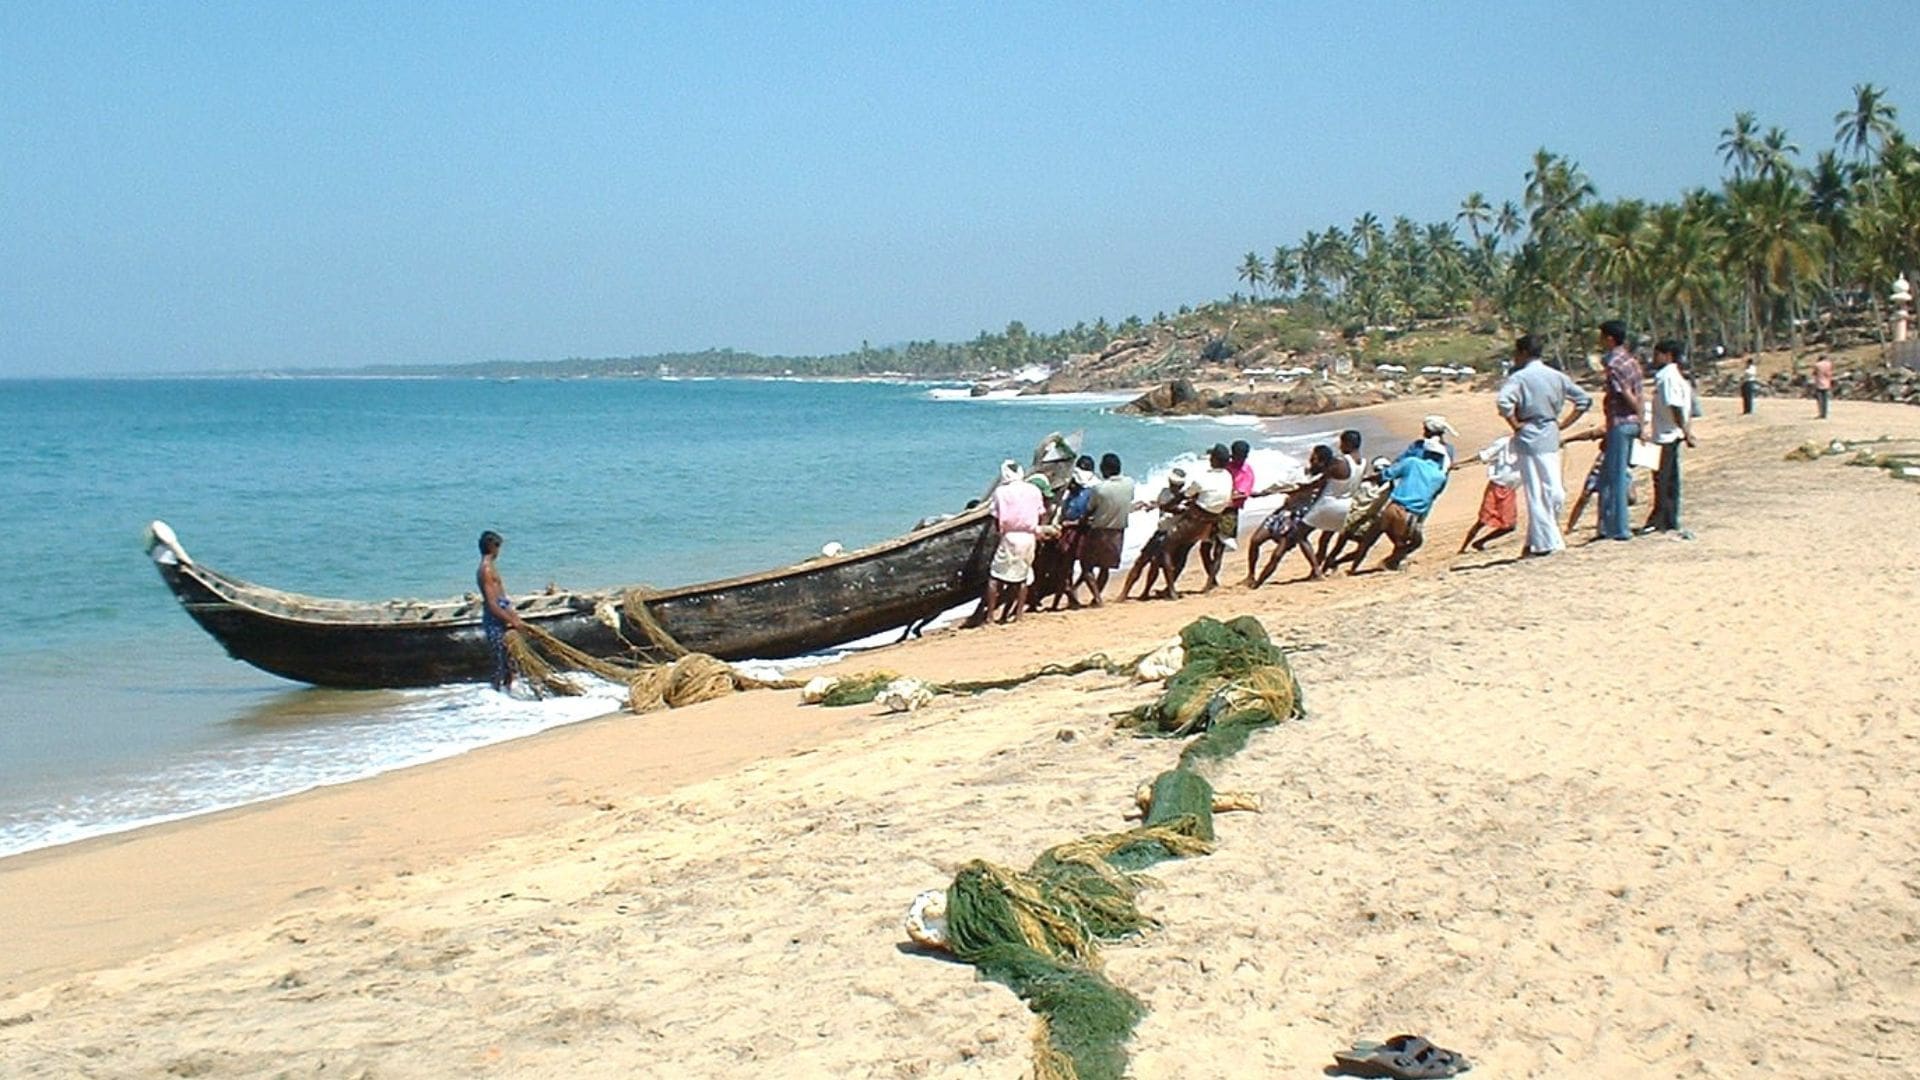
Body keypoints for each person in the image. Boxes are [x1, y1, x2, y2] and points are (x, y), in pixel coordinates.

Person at [1496, 333, 1592, 557]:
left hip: (1529, 434)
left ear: (1523, 353)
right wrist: (1563, 424)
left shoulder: (1519, 378)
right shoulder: (1556, 376)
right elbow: (1583, 400)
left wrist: (1515, 424)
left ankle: (1544, 541)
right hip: (1550, 432)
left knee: (1537, 491)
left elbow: (1503, 402)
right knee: (1553, 489)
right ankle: (1543, 539)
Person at [1346, 437, 1450, 573]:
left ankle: (1353, 568)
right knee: (1411, 542)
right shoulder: (1440, 477)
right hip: (1409, 515)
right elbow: (1431, 498)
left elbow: (1385, 475)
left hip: (1392, 508)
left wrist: (1361, 479)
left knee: (1368, 541)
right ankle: (1390, 562)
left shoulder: (1412, 463)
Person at [1247, 444, 1340, 585]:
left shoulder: (1323, 479)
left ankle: (1316, 570)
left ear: (1322, 462)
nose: (1311, 460)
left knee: (1286, 548)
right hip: (1285, 510)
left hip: (1300, 515)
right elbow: (1282, 484)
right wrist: (1263, 492)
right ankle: (1251, 575)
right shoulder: (1300, 472)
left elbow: (1304, 489)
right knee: (1255, 540)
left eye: (1314, 458)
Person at [969, 461, 1043, 626]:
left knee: (995, 576)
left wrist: (1000, 533)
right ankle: (1018, 616)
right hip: (1029, 537)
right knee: (1023, 576)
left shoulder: (1001, 492)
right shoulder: (1033, 490)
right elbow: (1041, 514)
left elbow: (996, 517)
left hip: (1010, 536)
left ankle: (990, 618)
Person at [1595, 320, 1644, 542]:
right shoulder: (1632, 361)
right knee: (1608, 476)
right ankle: (1606, 525)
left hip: (1621, 421)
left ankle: (1619, 528)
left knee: (1615, 477)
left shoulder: (1614, 363)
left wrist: (1640, 418)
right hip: (1630, 422)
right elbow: (1640, 392)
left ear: (1610, 339)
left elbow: (1625, 393)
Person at [1642, 340, 1697, 537]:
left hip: (1666, 435)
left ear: (1668, 355)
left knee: (1664, 480)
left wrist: (1685, 431)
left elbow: (1674, 406)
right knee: (1670, 479)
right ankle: (1668, 518)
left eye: (1657, 354)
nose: (1654, 359)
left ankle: (1663, 519)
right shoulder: (1676, 377)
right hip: (1670, 433)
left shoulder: (1667, 377)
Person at [1117, 470, 1188, 601]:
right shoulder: (1165, 492)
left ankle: (1145, 592)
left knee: (1153, 563)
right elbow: (1163, 505)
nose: (1173, 486)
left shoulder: (1185, 499)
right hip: (1161, 530)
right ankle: (1126, 593)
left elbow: (1176, 510)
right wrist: (1152, 505)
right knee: (1142, 561)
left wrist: (1159, 506)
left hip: (1172, 534)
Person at [1075, 453, 1134, 605]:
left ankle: (1097, 598)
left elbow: (1089, 509)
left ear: (1104, 469)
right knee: (1105, 567)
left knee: (1086, 565)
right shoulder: (1129, 483)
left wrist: (1080, 521)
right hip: (1119, 532)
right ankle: (1097, 596)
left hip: (1100, 531)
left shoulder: (1100, 489)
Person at [477, 530, 531, 693]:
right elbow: (492, 603)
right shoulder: (485, 570)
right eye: (498, 546)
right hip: (495, 619)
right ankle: (496, 697)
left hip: (502, 615)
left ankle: (508, 696)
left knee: (510, 662)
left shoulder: (491, 568)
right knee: (500, 664)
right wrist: (511, 620)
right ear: (491, 547)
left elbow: (501, 598)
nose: (499, 551)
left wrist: (513, 615)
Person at [1179, 445, 1236, 593]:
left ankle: (1171, 586)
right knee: (1215, 550)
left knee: (1180, 547)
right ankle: (1211, 581)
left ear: (1214, 460)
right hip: (1218, 517)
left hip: (1199, 518)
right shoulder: (1228, 476)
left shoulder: (1203, 477)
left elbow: (1187, 494)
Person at [1456, 433, 1521, 552]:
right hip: (1496, 486)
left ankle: (1480, 542)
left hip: (1511, 489)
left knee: (1510, 526)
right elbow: (1484, 456)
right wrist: (1460, 463)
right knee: (1482, 520)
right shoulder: (1504, 443)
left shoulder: (1531, 445)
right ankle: (1463, 548)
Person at [1812, 354, 1835, 419]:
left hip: (1819, 383)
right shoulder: (1829, 364)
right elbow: (1830, 373)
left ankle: (1821, 413)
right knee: (1826, 400)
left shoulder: (1817, 365)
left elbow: (1814, 373)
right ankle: (1825, 413)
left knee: (1820, 400)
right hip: (1827, 383)